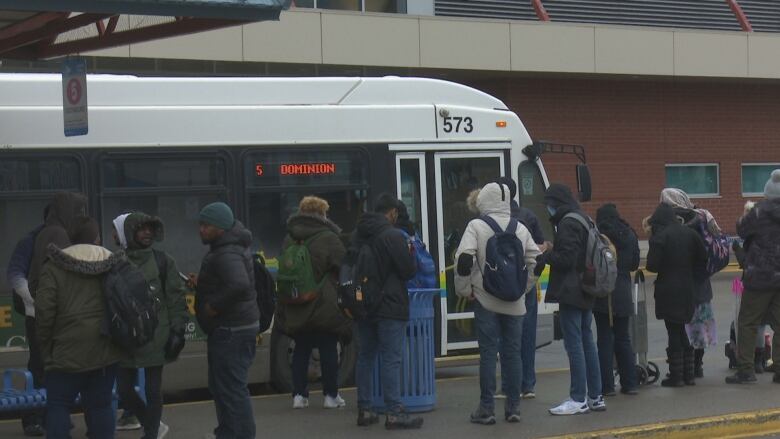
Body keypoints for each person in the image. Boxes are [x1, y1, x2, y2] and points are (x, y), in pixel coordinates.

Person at [454, 182, 540, 425]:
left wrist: (465, 290)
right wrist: (523, 289)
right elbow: (537, 261)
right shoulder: (520, 228)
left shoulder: (477, 226)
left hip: (485, 299)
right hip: (515, 303)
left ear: (484, 201)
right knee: (513, 354)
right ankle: (513, 408)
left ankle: (487, 408)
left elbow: (463, 259)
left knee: (489, 354)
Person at [35, 217, 124, 439]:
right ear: (97, 238)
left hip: (65, 353)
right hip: (105, 351)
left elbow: (44, 314)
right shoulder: (114, 263)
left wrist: (47, 352)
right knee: (101, 406)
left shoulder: (54, 266)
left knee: (58, 405)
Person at [113, 212, 188, 439]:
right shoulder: (116, 261)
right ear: (130, 232)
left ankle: (152, 433)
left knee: (153, 389)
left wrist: (178, 330)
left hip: (157, 334)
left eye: (150, 229)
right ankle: (149, 422)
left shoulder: (163, 261)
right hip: (125, 337)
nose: (147, 232)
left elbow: (175, 299)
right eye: (142, 228)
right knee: (124, 391)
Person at [351, 193, 422, 429]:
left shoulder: (359, 234)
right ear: (391, 212)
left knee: (365, 356)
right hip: (389, 304)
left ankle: (365, 409)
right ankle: (394, 412)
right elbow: (408, 270)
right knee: (391, 358)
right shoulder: (392, 236)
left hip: (363, 304)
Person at [535, 183, 604, 415]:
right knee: (587, 342)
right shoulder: (583, 218)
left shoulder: (567, 223)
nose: (548, 209)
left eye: (549, 204)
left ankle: (578, 398)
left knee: (574, 343)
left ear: (556, 203)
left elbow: (566, 259)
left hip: (571, 290)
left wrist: (545, 254)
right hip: (586, 287)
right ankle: (596, 396)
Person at [276, 196, 351, 409]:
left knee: (301, 348)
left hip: (297, 301)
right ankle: (330, 396)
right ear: (321, 214)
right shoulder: (328, 237)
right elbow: (342, 264)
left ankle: (299, 396)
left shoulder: (289, 238)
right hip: (323, 303)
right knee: (328, 348)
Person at [192, 202, 259, 439]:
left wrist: (212, 306)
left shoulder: (227, 252)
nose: (201, 230)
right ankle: (228, 433)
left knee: (231, 390)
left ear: (220, 228)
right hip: (235, 327)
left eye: (206, 225)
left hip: (232, 330)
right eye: (200, 224)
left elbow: (238, 285)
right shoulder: (227, 248)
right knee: (224, 389)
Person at [25, 192, 87, 436]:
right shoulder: (60, 234)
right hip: (58, 317)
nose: (81, 217)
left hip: (44, 312)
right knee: (59, 386)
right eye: (78, 211)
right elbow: (66, 276)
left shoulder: (45, 232)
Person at [495, 176, 547, 400]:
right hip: (526, 284)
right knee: (526, 335)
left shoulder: (490, 219)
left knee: (505, 337)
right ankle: (528, 385)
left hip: (501, 286)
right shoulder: (528, 216)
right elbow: (540, 248)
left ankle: (508, 386)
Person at [727, 170, 780, 384]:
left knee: (748, 322)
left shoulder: (759, 211)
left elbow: (741, 230)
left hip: (759, 276)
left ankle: (746, 370)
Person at [660, 188, 720, 379]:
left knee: (680, 327)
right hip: (701, 280)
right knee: (699, 325)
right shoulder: (702, 215)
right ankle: (697, 365)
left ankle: (685, 368)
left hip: (682, 282)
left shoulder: (674, 222)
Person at [645, 203, 707, 387]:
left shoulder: (660, 237)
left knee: (673, 330)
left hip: (668, 289)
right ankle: (689, 375)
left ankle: (677, 376)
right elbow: (703, 259)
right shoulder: (690, 233)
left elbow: (652, 266)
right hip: (688, 288)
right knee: (682, 330)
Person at [5, 207, 48, 437]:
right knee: (39, 367)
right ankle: (33, 418)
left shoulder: (70, 237)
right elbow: (15, 275)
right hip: (37, 315)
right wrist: (39, 304)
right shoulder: (30, 241)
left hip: (65, 317)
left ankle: (52, 414)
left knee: (60, 368)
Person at [593, 204, 640, 396]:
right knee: (623, 338)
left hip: (604, 292)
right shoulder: (629, 234)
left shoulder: (598, 235)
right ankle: (630, 384)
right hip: (623, 290)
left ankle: (607, 386)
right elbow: (635, 263)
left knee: (604, 339)